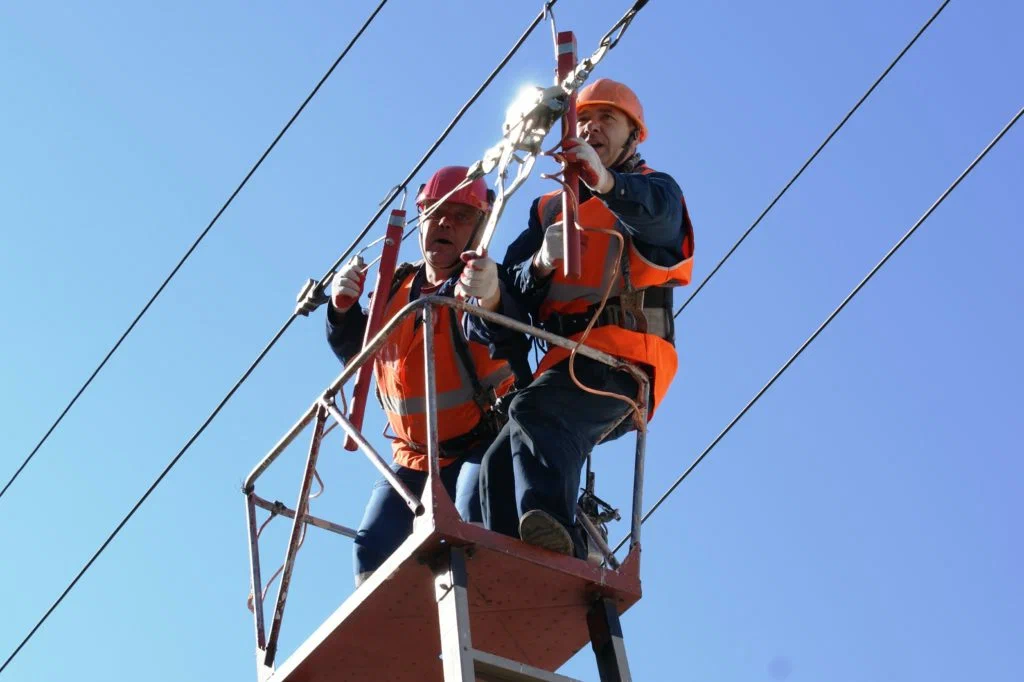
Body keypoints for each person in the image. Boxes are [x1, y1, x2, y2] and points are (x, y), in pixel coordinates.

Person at [467, 78, 696, 555]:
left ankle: (560, 542)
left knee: (536, 412)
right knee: (495, 463)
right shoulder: (549, 209)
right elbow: (511, 297)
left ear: (633, 136)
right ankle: (508, 558)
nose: (592, 128)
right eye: (585, 119)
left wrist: (606, 183)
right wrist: (513, 280)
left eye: (607, 120)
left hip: (624, 359)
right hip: (565, 363)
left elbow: (661, 221)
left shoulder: (653, 192)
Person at [326, 166, 516, 585]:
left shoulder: (483, 284)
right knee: (371, 546)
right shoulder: (396, 286)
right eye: (436, 213)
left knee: (470, 514)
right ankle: (398, 640)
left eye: (461, 216)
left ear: (480, 228)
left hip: (479, 443)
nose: (445, 224)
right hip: (413, 456)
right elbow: (357, 353)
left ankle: (477, 616)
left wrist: (491, 295)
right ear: (421, 221)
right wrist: (341, 311)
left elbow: (506, 331)